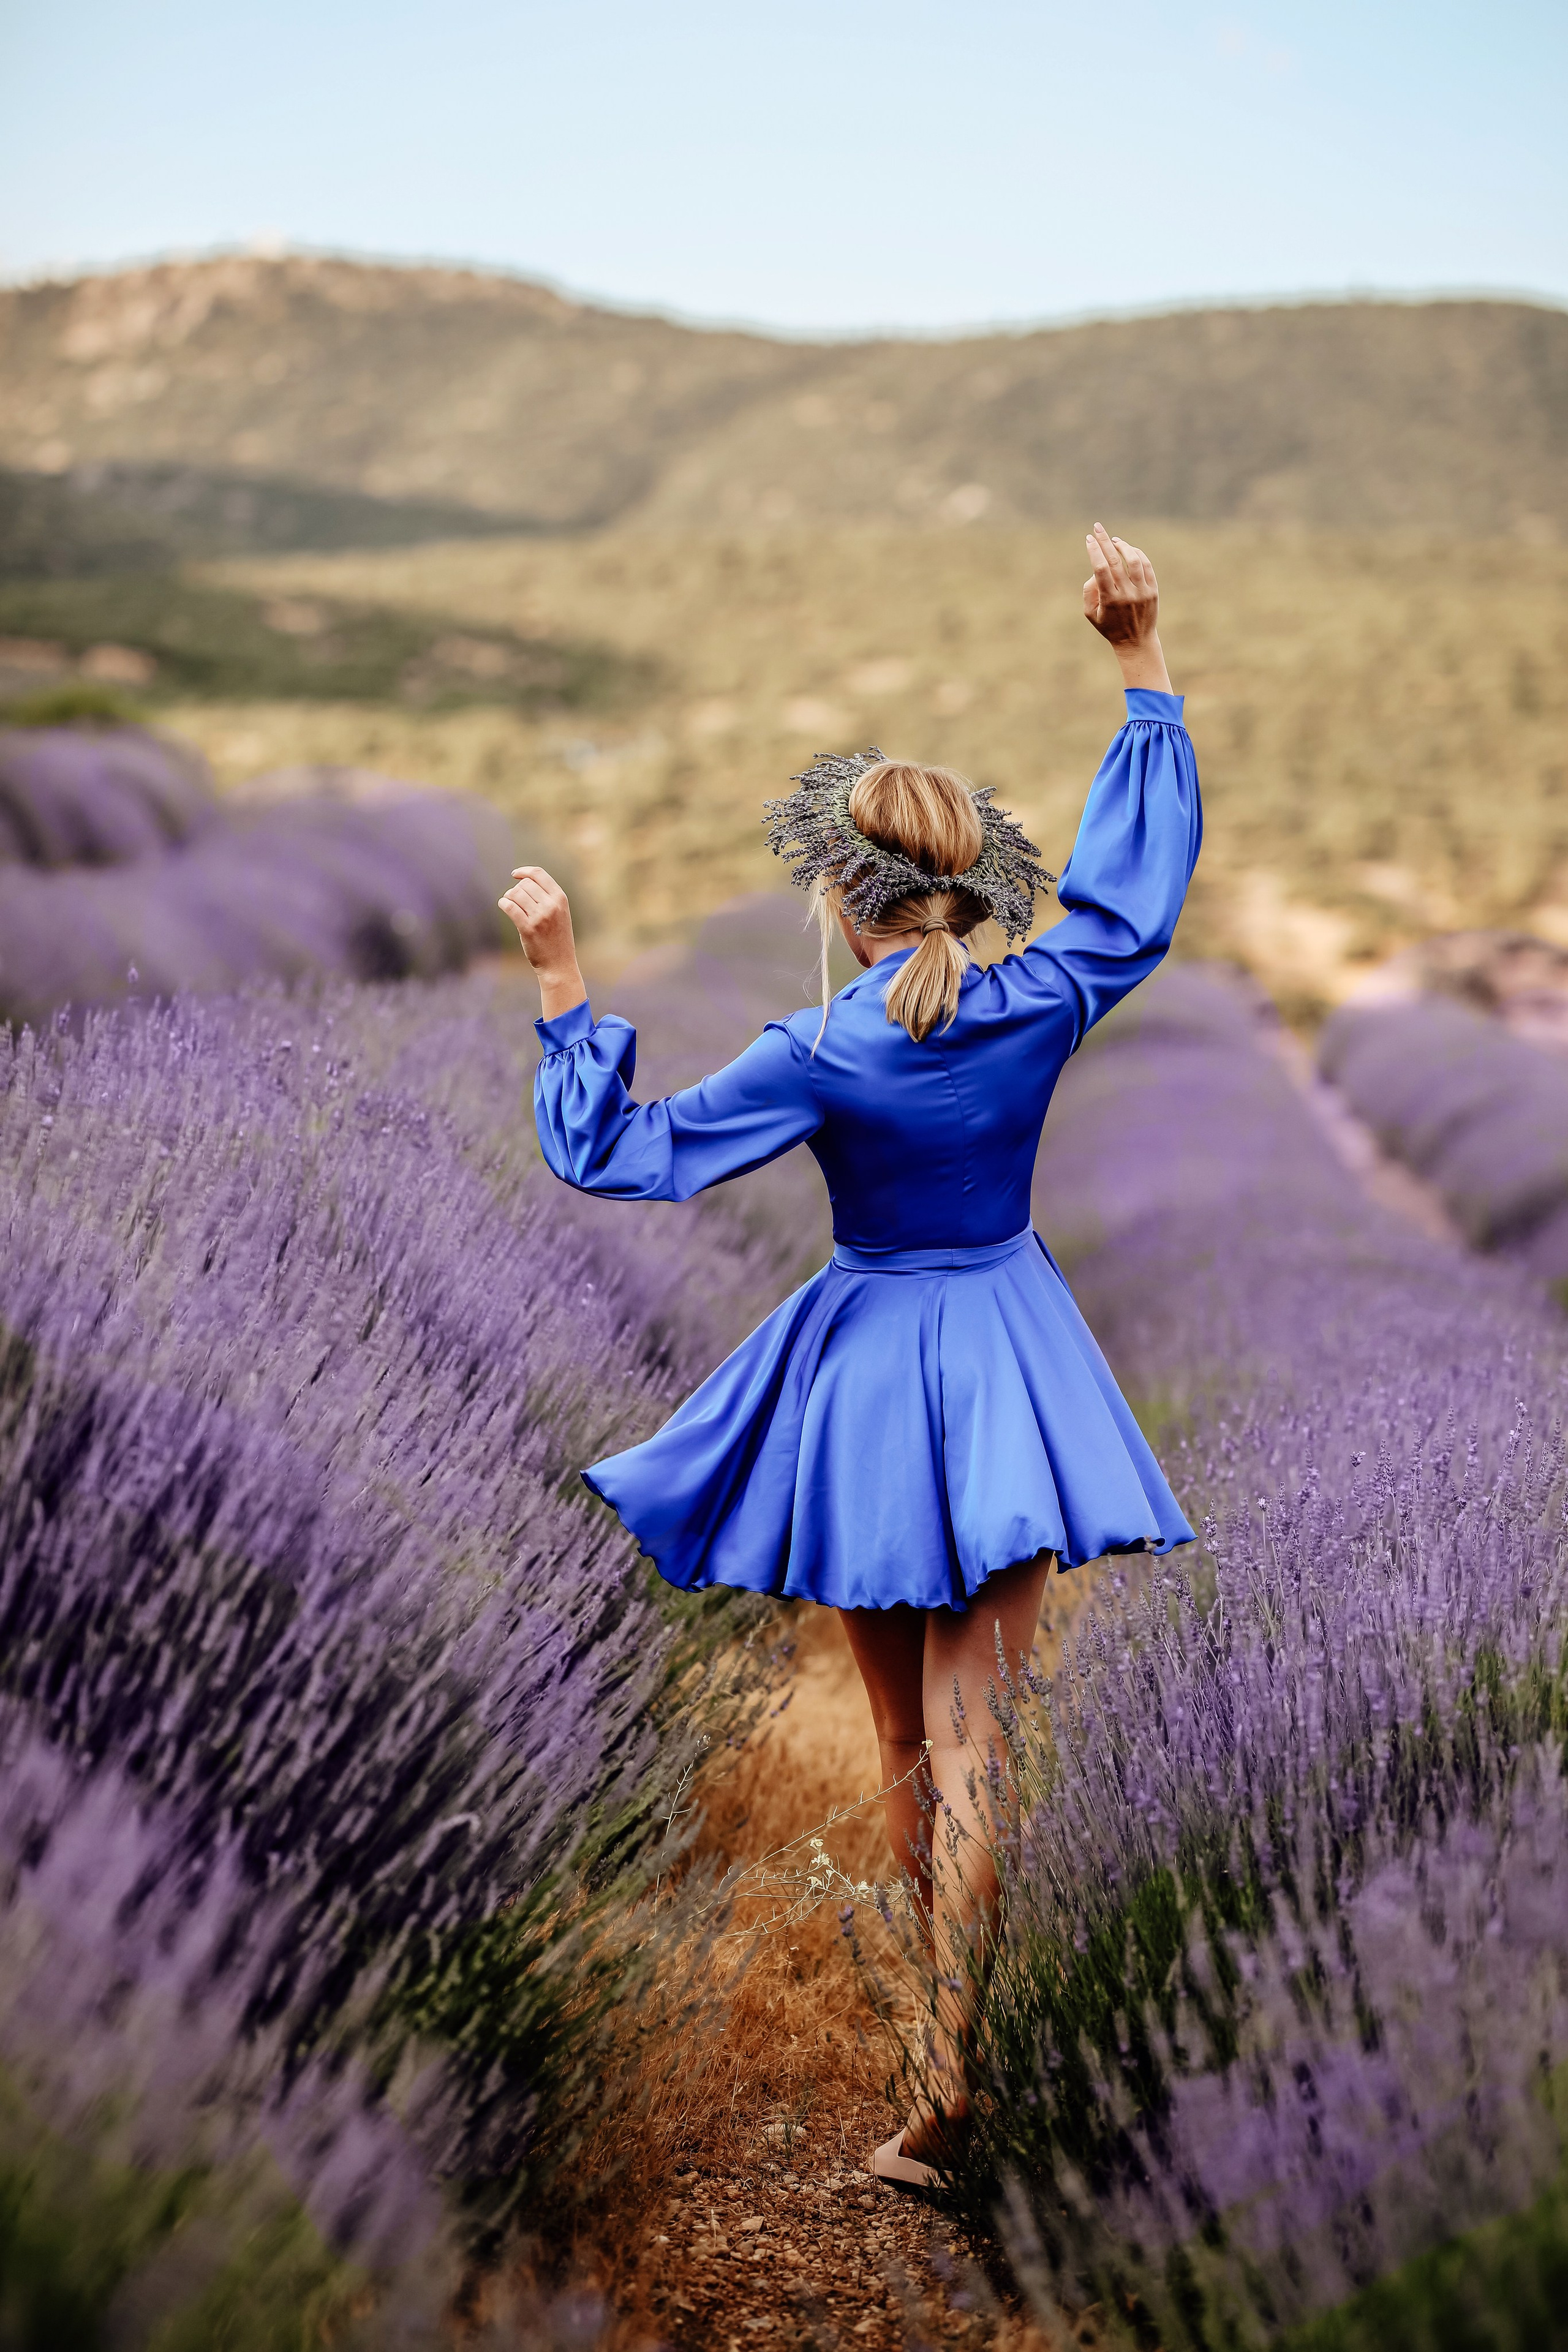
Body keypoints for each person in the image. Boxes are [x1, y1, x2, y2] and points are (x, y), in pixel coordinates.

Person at [499, 525, 1202, 2187]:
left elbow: (624, 1157)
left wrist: (557, 979)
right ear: (974, 881)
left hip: (878, 1376)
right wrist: (1139, 658)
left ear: (842, 891)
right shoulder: (1040, 995)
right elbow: (1138, 896)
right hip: (1014, 1360)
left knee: (903, 1752)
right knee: (984, 1750)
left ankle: (934, 2081)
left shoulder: (814, 1047)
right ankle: (951, 2074)